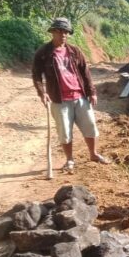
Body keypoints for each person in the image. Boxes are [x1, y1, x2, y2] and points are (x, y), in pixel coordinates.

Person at [32, 17, 110, 173]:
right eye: (60, 31)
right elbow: (36, 75)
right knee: (65, 132)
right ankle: (69, 160)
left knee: (90, 126)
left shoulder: (74, 51)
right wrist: (42, 93)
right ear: (53, 32)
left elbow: (85, 72)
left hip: (80, 97)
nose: (63, 35)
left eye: (66, 32)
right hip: (59, 100)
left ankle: (93, 154)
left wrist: (91, 92)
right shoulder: (43, 53)